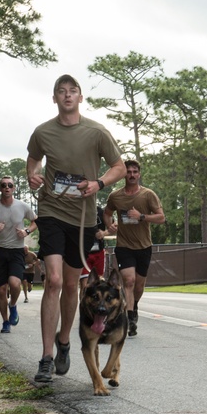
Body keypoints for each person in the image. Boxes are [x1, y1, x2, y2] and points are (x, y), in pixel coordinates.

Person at [27, 74, 125, 383]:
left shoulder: (96, 132)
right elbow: (33, 161)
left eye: (73, 91)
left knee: (71, 286)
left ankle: (65, 341)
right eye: (61, 91)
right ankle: (45, 357)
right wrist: (33, 175)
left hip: (82, 217)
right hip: (51, 211)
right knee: (53, 281)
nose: (67, 96)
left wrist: (98, 183)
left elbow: (119, 167)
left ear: (80, 98)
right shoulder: (43, 132)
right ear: (54, 98)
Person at [104, 159, 164, 337]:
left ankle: (134, 305)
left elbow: (161, 217)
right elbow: (107, 214)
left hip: (144, 246)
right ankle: (130, 319)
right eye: (128, 172)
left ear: (139, 174)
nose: (131, 175)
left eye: (134, 172)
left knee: (139, 285)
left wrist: (142, 216)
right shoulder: (115, 196)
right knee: (128, 281)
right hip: (124, 246)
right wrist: (111, 225)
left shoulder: (148, 195)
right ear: (124, 174)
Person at [0, 176, 38, 334]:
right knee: (1, 290)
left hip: (17, 250)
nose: (7, 187)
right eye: (3, 185)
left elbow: (35, 221)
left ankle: (13, 305)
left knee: (15, 283)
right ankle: (5, 322)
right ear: (0, 188)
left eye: (10, 185)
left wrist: (26, 231)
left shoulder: (22, 206)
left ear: (14, 188)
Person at [79, 206, 111, 296]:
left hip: (99, 252)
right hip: (84, 253)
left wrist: (103, 233)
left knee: (99, 282)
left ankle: (95, 307)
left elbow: (112, 227)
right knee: (85, 285)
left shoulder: (100, 211)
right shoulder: (78, 209)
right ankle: (84, 307)